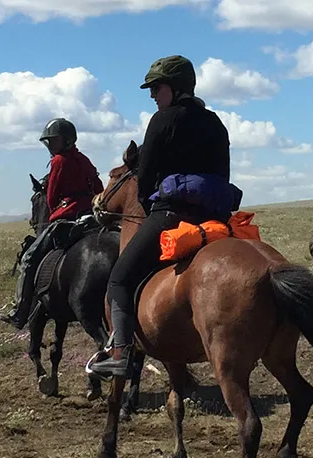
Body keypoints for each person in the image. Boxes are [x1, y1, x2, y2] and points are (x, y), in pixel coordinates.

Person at [85, 55, 234, 378]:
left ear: (175, 88)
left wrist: (151, 204)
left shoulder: (162, 121)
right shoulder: (216, 123)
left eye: (156, 88)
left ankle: (121, 352)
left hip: (171, 215)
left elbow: (147, 175)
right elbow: (223, 173)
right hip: (215, 220)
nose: (153, 95)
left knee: (120, 278)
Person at [0, 118, 104, 327]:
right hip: (90, 217)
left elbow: (51, 197)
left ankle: (20, 310)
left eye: (53, 140)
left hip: (67, 217)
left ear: (66, 140)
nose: (50, 145)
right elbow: (99, 187)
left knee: (28, 258)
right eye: (49, 141)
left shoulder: (58, 161)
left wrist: (59, 207)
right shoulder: (84, 159)